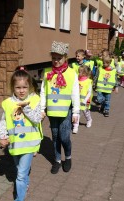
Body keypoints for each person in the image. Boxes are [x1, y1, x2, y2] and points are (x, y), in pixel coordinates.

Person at [0, 66, 43, 201]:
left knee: (21, 175)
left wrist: (26, 107)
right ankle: (25, 183)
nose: (22, 90)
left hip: (29, 144)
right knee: (19, 169)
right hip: (15, 144)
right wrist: (2, 136)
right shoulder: (8, 103)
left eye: (25, 87)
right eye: (18, 87)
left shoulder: (35, 100)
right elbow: (4, 121)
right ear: (13, 87)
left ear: (29, 86)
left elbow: (37, 119)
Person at [40, 41, 80, 174]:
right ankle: (57, 160)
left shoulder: (72, 73)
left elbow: (75, 93)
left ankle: (68, 157)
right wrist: (42, 108)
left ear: (65, 58)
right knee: (55, 136)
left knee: (64, 137)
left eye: (59, 58)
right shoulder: (47, 73)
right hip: (52, 111)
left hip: (66, 112)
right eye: (54, 58)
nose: (56, 61)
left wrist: (76, 112)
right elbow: (43, 92)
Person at [73, 65, 93, 134]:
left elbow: (89, 92)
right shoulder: (77, 80)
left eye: (80, 72)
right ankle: (75, 126)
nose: (79, 73)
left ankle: (89, 120)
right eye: (78, 71)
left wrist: (85, 100)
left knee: (86, 112)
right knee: (77, 113)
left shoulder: (88, 81)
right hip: (77, 100)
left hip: (85, 101)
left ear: (85, 73)